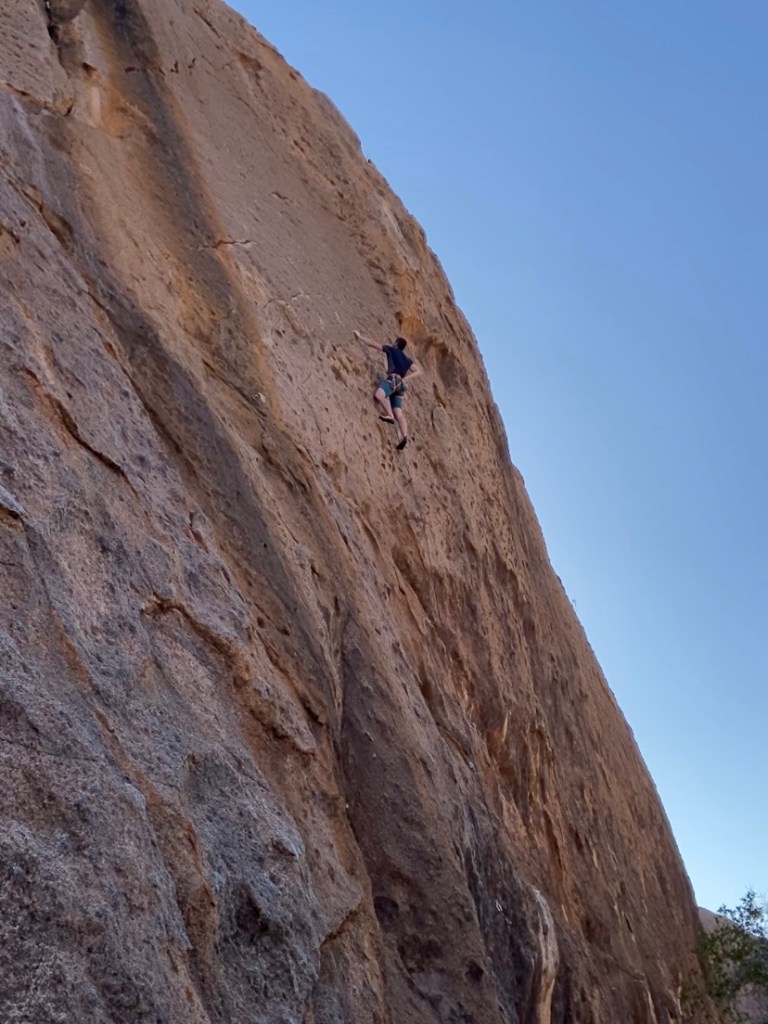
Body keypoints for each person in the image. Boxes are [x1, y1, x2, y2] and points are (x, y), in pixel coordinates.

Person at [353, 330, 421, 450]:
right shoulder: (407, 360)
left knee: (379, 395)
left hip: (393, 380)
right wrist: (405, 378)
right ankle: (404, 436)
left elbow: (374, 344)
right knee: (399, 414)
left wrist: (360, 337)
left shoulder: (391, 349)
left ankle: (389, 415)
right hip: (401, 386)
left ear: (395, 344)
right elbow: (418, 371)